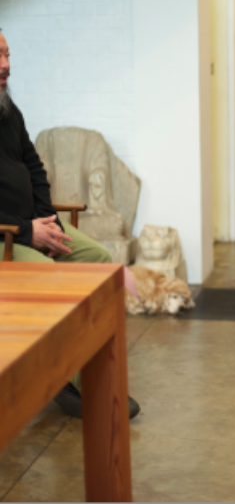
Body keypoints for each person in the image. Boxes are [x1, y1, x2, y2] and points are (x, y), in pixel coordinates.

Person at [0, 29, 140, 419]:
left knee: (96, 259)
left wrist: (48, 221)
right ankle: (69, 379)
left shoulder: (9, 111)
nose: (6, 65)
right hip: (6, 237)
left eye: (8, 54)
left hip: (30, 226)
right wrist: (28, 233)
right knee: (55, 279)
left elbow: (33, 165)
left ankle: (89, 377)